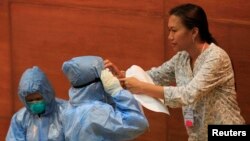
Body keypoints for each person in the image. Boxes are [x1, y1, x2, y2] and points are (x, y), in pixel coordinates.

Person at [104, 3, 245, 141]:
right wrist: (124, 78)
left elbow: (187, 94)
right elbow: (152, 77)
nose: (170, 36)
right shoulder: (181, 58)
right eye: (169, 30)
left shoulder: (217, 57)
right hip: (198, 137)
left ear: (194, 32)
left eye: (174, 30)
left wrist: (141, 86)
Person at [61, 56, 149, 141]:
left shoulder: (70, 106)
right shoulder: (95, 112)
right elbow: (138, 124)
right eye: (105, 74)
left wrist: (119, 87)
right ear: (98, 82)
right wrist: (117, 91)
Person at [6, 66, 67, 141]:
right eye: (30, 100)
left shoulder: (65, 112)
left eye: (38, 99)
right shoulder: (20, 118)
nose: (34, 103)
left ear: (47, 94)